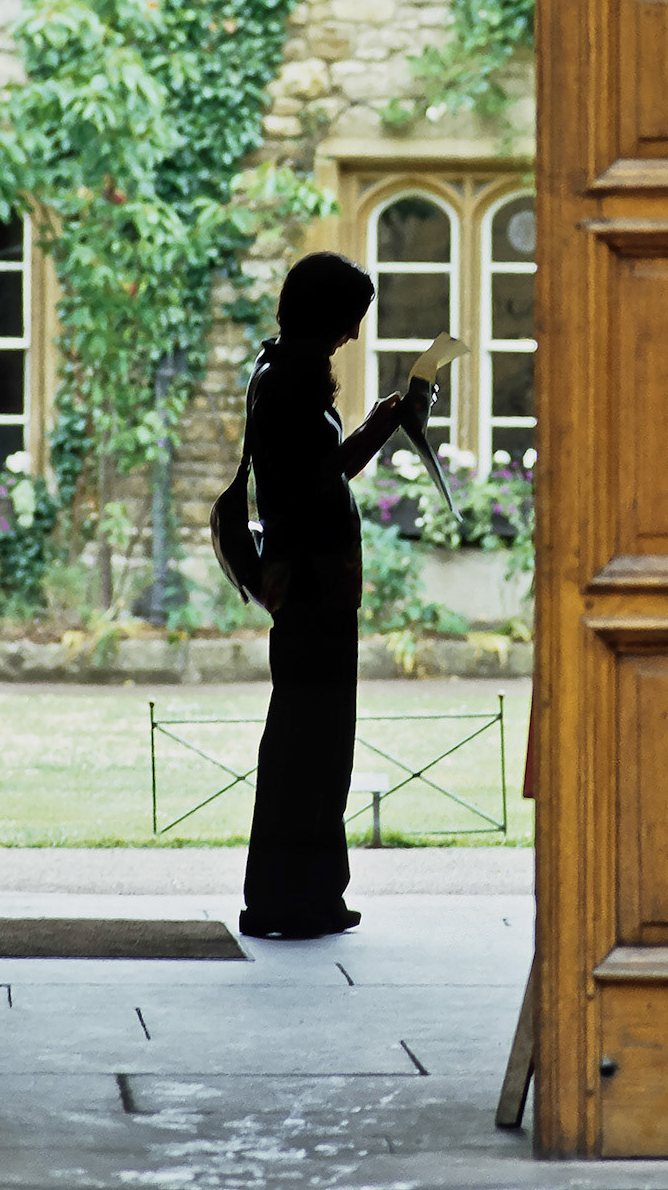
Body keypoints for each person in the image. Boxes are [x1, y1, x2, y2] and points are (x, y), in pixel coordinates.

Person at [238, 251, 426, 938]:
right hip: (314, 587)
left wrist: (378, 421)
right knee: (312, 744)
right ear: (327, 314)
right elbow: (322, 482)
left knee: (302, 740)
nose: (352, 333)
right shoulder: (290, 383)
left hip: (309, 585)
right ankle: (297, 898)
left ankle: (295, 894)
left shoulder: (279, 371)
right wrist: (382, 427)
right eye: (350, 318)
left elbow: (318, 473)